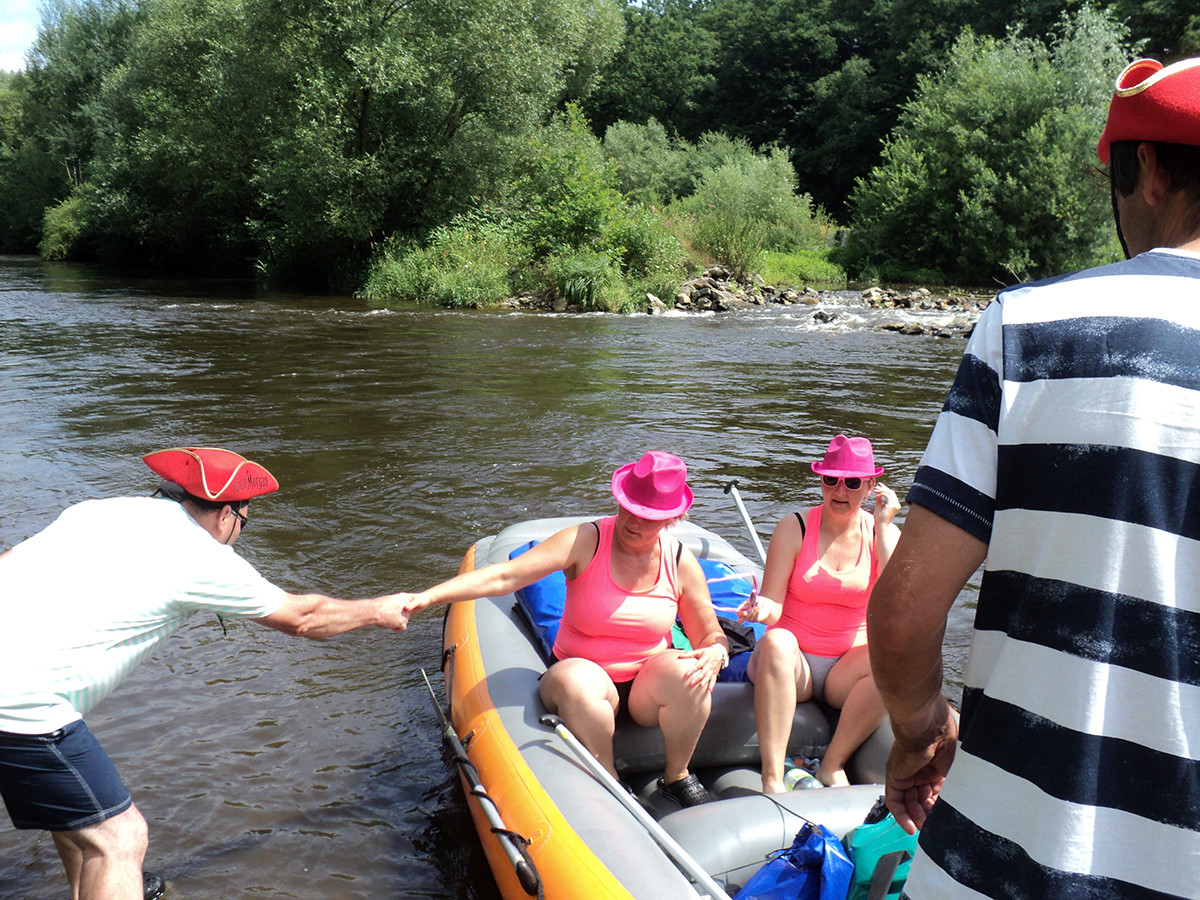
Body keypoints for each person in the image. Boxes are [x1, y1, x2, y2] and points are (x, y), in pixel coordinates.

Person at [866, 56, 1200, 898]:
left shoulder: (1031, 330)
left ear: (1150, 172)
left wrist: (919, 729)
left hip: (1005, 865)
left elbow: (905, 613)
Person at [0, 447, 413, 900]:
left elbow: (10, 562)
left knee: (81, 817)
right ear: (226, 515)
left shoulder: (97, 511)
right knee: (120, 838)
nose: (238, 534)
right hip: (22, 708)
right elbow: (304, 618)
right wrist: (377, 610)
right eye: (244, 522)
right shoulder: (201, 557)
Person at [401, 451, 730, 808]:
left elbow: (709, 635)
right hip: (581, 676)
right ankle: (610, 778)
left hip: (646, 687)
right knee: (579, 683)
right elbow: (505, 577)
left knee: (693, 673)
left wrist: (716, 651)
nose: (632, 521)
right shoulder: (586, 540)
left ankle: (677, 776)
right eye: (627, 508)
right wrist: (426, 597)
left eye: (647, 517)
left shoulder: (680, 562)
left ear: (671, 519)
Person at [737, 435, 901, 791]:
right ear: (821, 481)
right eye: (831, 480)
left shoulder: (884, 534)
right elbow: (773, 604)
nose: (840, 491)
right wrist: (758, 609)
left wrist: (883, 526)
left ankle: (832, 764)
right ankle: (772, 778)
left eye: (852, 483)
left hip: (845, 671)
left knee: (895, 658)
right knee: (777, 642)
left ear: (870, 486)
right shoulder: (793, 527)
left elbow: (895, 603)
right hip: (792, 665)